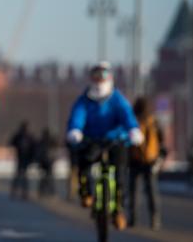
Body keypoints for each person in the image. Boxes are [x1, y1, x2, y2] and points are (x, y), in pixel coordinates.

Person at [66, 62, 143, 230]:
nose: (99, 80)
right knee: (85, 161)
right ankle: (86, 192)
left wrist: (134, 130)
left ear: (110, 78)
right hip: (93, 139)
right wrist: (75, 130)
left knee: (121, 173)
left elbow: (127, 116)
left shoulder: (117, 99)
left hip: (115, 140)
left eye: (103, 76)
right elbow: (78, 115)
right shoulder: (85, 99)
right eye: (96, 76)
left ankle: (119, 210)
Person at [128, 97, 165, 230]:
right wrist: (160, 157)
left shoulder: (132, 121)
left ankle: (133, 218)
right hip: (150, 160)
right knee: (151, 191)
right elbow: (161, 140)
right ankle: (155, 218)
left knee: (133, 191)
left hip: (134, 160)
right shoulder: (153, 121)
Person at [9, 122, 35, 200]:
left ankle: (15, 192)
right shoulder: (28, 136)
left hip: (22, 158)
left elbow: (12, 143)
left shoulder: (19, 135)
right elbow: (34, 147)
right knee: (23, 177)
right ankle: (23, 193)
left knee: (19, 176)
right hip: (24, 159)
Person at [36, 127, 58, 196]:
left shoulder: (41, 141)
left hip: (44, 162)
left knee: (43, 178)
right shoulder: (50, 140)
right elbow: (56, 146)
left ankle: (42, 191)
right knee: (49, 177)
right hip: (49, 162)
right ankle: (51, 192)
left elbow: (38, 152)